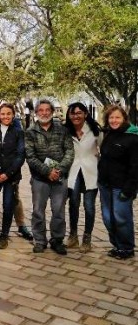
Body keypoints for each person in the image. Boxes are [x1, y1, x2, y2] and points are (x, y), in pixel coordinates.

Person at [0, 93, 33, 241]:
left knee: (11, 202)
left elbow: (20, 154)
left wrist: (8, 173)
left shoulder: (17, 128)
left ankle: (15, 228)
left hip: (11, 174)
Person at [26, 99, 74, 255]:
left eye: (47, 110)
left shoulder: (63, 130)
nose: (44, 113)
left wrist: (58, 170)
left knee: (58, 211)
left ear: (52, 112)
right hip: (40, 179)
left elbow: (69, 152)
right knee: (38, 211)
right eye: (41, 110)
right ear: (36, 112)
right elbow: (30, 157)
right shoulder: (30, 132)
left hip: (59, 178)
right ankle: (39, 240)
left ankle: (57, 240)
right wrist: (47, 171)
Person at [98, 105, 138, 260]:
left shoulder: (133, 138)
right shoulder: (109, 134)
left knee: (121, 218)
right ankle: (117, 245)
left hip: (121, 187)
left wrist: (129, 189)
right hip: (105, 184)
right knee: (108, 218)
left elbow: (136, 167)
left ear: (124, 119)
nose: (114, 120)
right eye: (111, 117)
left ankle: (126, 248)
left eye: (117, 117)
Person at [64, 102, 102, 253]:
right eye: (73, 113)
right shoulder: (66, 131)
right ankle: (73, 236)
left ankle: (87, 238)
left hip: (91, 171)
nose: (76, 116)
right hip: (73, 171)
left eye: (79, 113)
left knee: (89, 206)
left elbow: (104, 148)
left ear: (86, 114)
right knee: (73, 203)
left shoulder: (95, 130)